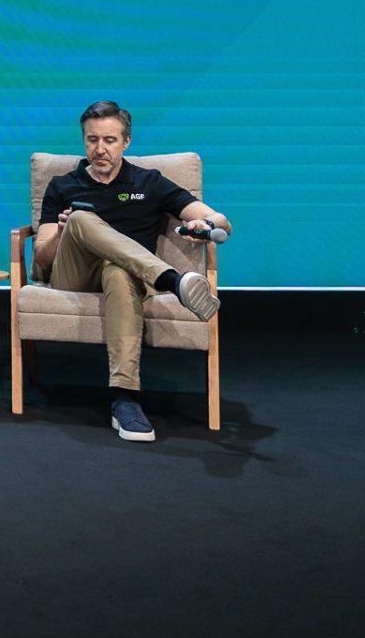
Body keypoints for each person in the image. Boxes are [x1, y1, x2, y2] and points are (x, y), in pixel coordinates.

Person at [34, 100, 229, 443]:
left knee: (119, 271)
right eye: (92, 140)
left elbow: (220, 220)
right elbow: (44, 258)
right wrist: (64, 232)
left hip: (131, 278)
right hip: (73, 276)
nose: (100, 149)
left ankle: (125, 399)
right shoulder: (63, 186)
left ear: (126, 142)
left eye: (109, 140)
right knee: (79, 218)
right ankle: (173, 280)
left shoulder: (149, 182)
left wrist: (203, 222)